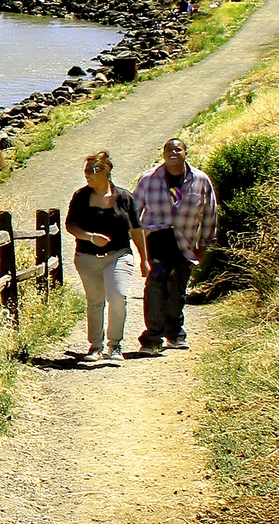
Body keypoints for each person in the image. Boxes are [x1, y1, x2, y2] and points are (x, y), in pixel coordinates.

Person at [133, 138, 218, 355]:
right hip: (157, 240)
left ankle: (175, 333)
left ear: (185, 152)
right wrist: (140, 249)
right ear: (163, 154)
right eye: (169, 150)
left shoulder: (200, 180)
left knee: (177, 289)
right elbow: (133, 214)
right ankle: (152, 338)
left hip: (184, 242)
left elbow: (210, 214)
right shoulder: (148, 179)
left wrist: (202, 247)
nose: (173, 153)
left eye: (178, 149)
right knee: (156, 286)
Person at [65, 150, 147, 361]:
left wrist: (144, 259)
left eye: (92, 170)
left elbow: (136, 230)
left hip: (118, 255)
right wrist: (90, 237)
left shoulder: (125, 198)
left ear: (106, 171)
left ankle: (115, 345)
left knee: (118, 296)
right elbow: (71, 225)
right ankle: (95, 347)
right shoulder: (81, 197)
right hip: (87, 257)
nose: (87, 175)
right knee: (95, 301)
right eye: (86, 171)